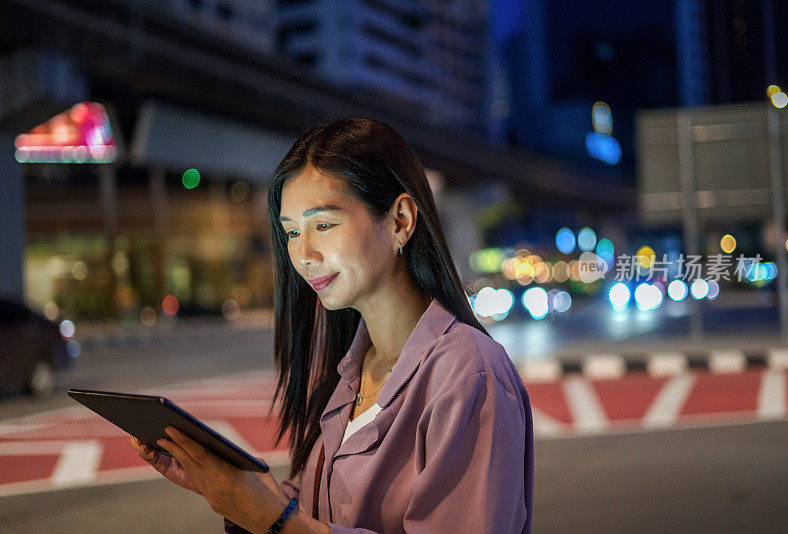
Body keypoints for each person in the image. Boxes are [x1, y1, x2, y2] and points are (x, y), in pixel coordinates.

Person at [131, 117, 534, 533]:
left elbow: (295, 524)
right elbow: (311, 512)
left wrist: (278, 523)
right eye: (290, 232)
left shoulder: (468, 375)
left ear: (400, 221)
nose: (303, 254)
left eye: (323, 225)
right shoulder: (348, 370)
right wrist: (227, 488)